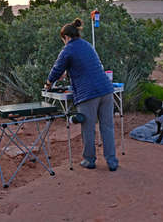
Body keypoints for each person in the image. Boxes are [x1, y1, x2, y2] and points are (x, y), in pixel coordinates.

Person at [44, 18, 118, 171]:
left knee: (88, 127)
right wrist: (68, 72)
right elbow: (85, 65)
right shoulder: (87, 45)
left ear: (66, 37)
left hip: (88, 94)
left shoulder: (68, 49)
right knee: (107, 127)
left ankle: (89, 160)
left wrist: (48, 84)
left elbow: (56, 69)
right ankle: (112, 162)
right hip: (106, 89)